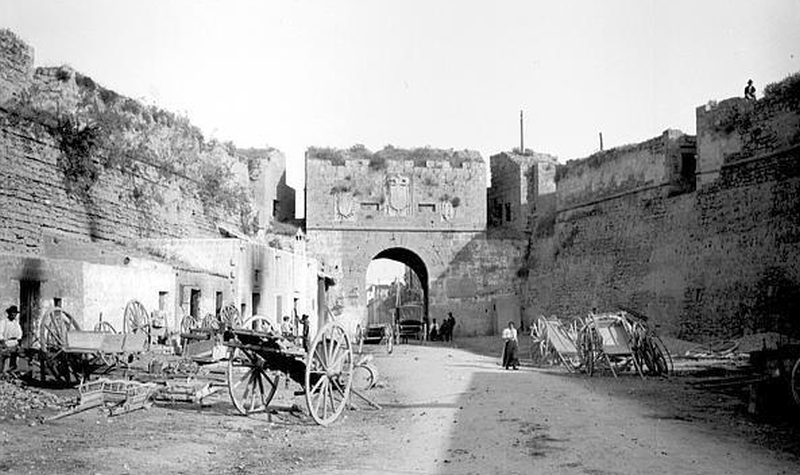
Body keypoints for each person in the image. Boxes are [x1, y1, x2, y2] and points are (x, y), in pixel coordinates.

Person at [0, 305, 23, 374]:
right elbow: (0, 333)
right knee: (3, 356)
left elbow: (20, 333)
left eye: (15, 313)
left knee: (17, 355)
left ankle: (12, 370)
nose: (14, 315)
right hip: (6, 342)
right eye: (12, 313)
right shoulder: (3, 322)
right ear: (9, 313)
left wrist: (18, 343)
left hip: (15, 342)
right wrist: (3, 344)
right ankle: (2, 372)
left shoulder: (16, 323)